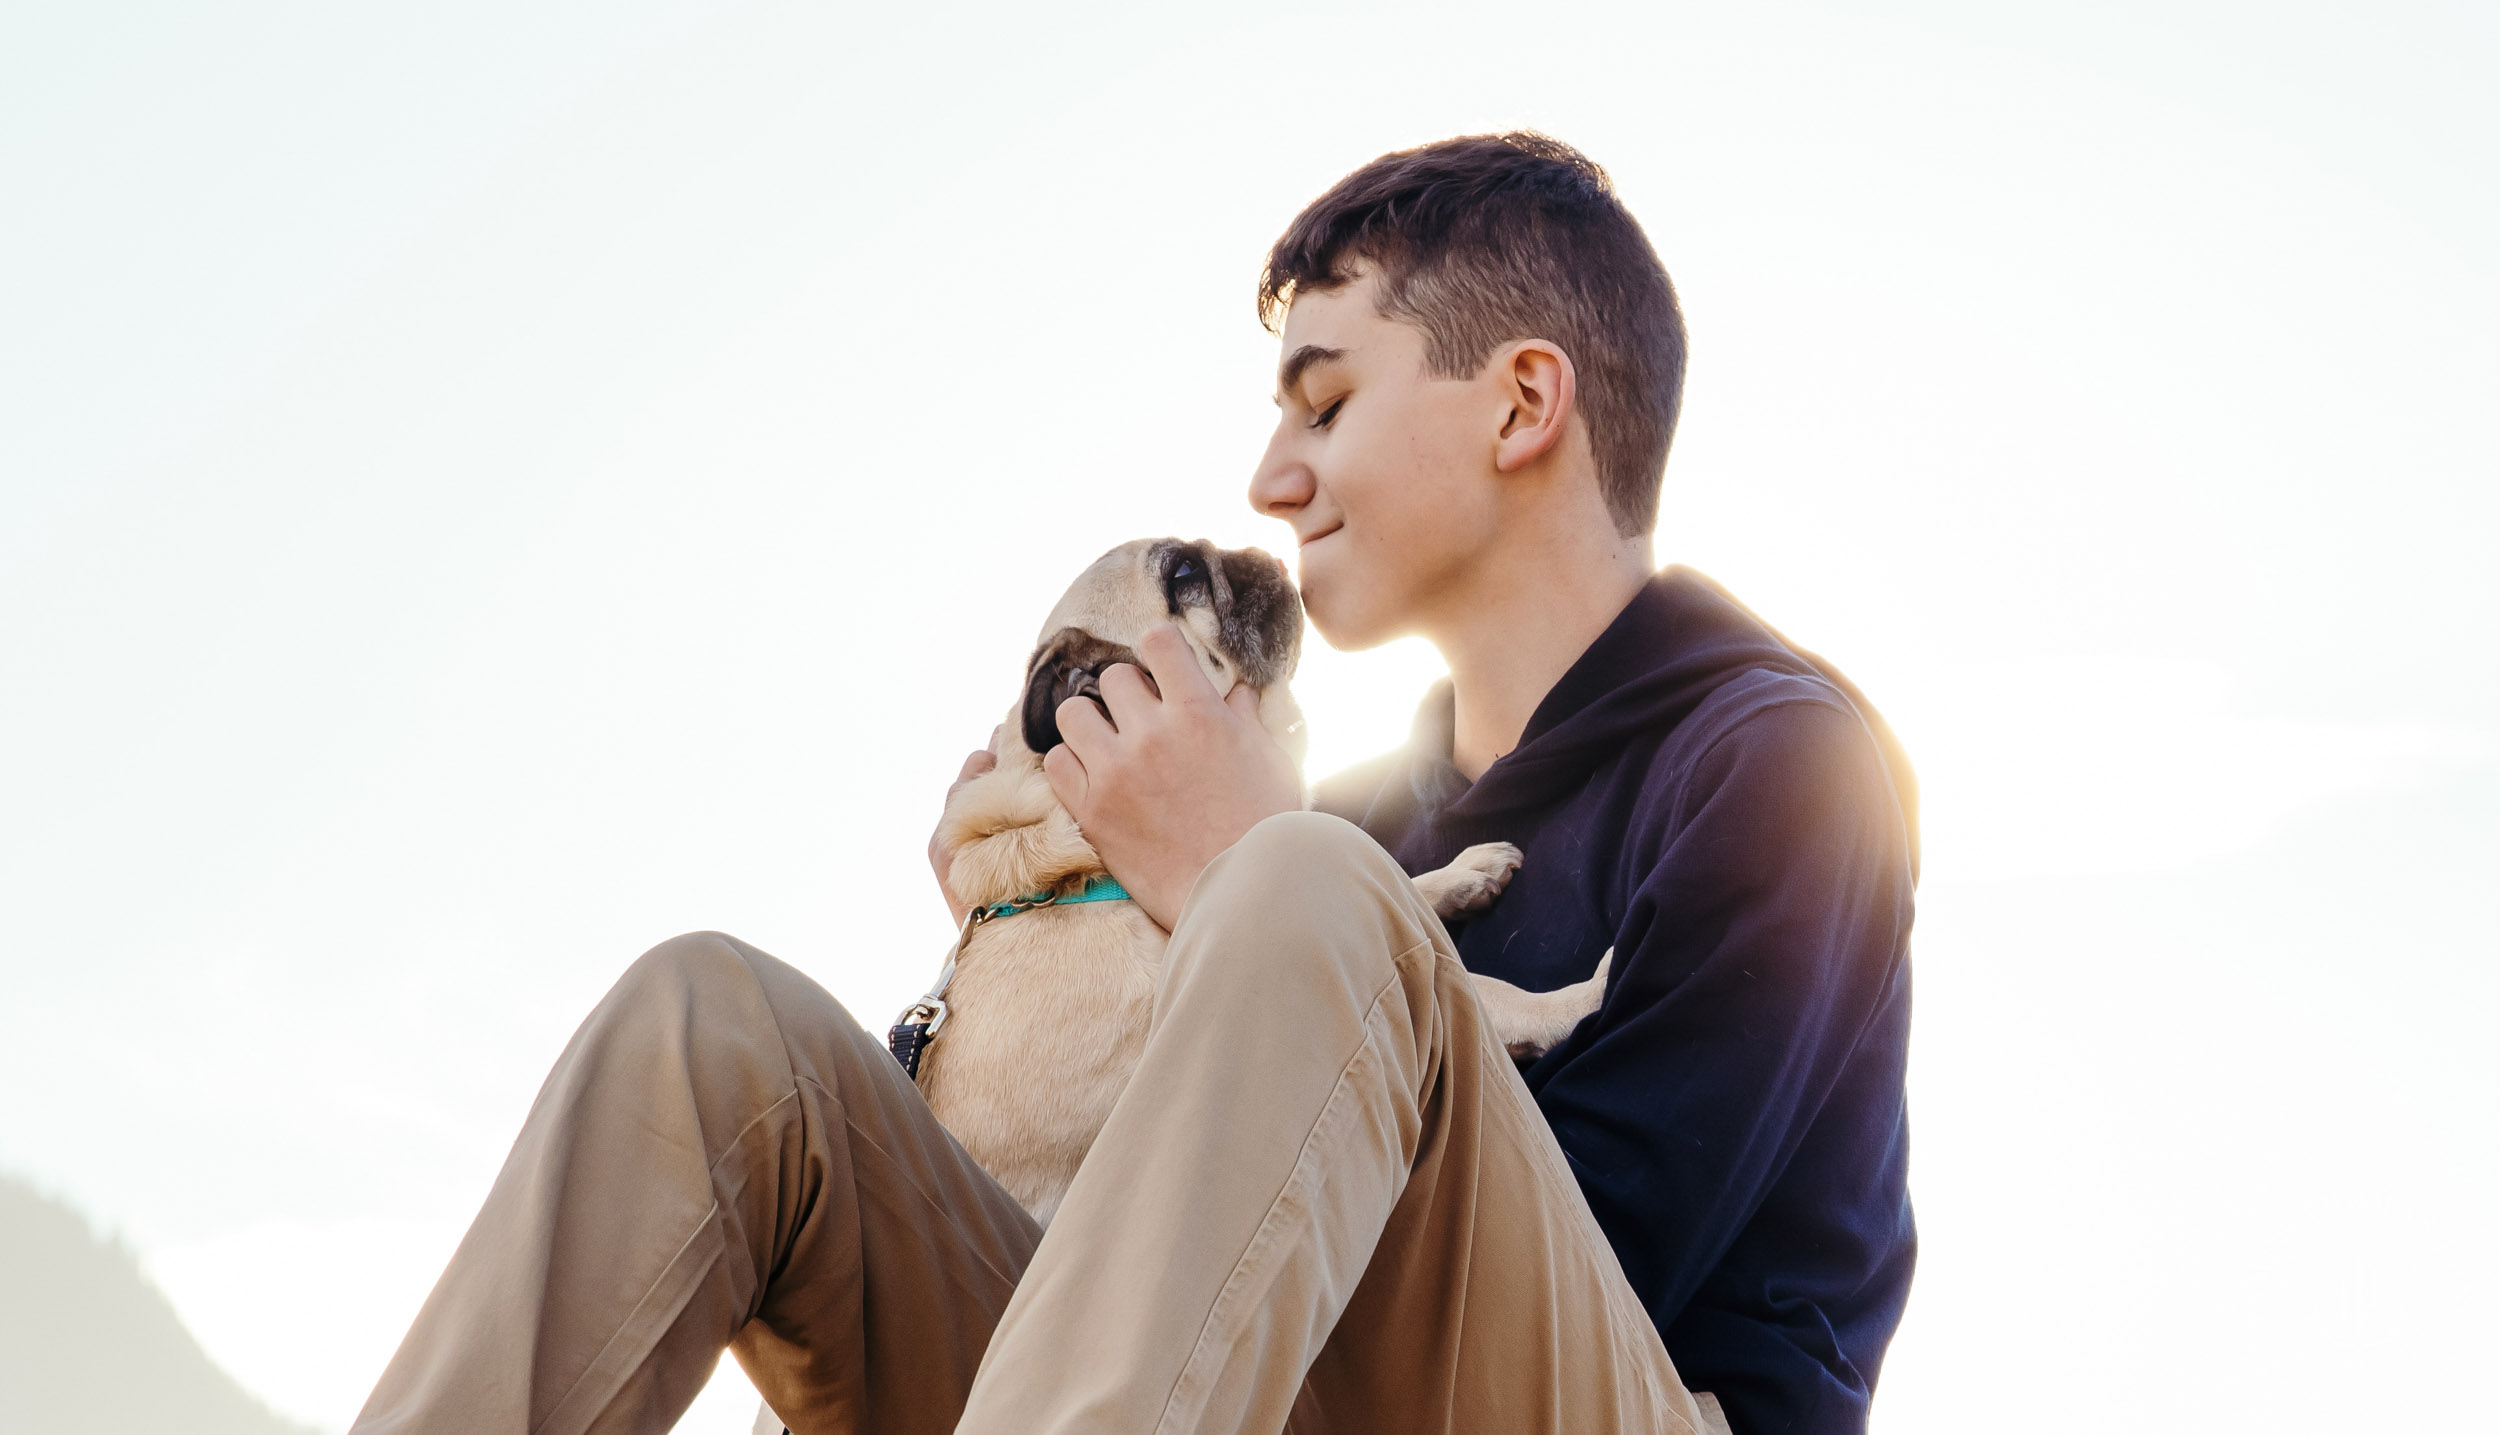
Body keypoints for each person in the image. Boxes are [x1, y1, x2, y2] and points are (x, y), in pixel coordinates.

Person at [351, 133, 1915, 1435]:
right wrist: (1054, 932)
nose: (1271, 478)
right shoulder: (1359, 823)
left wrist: (1233, 876)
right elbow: (1164, 1262)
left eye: (1326, 403)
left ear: (1522, 403)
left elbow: (1603, 1254)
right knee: (721, 1037)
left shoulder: (1783, 767)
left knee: (1304, 891)